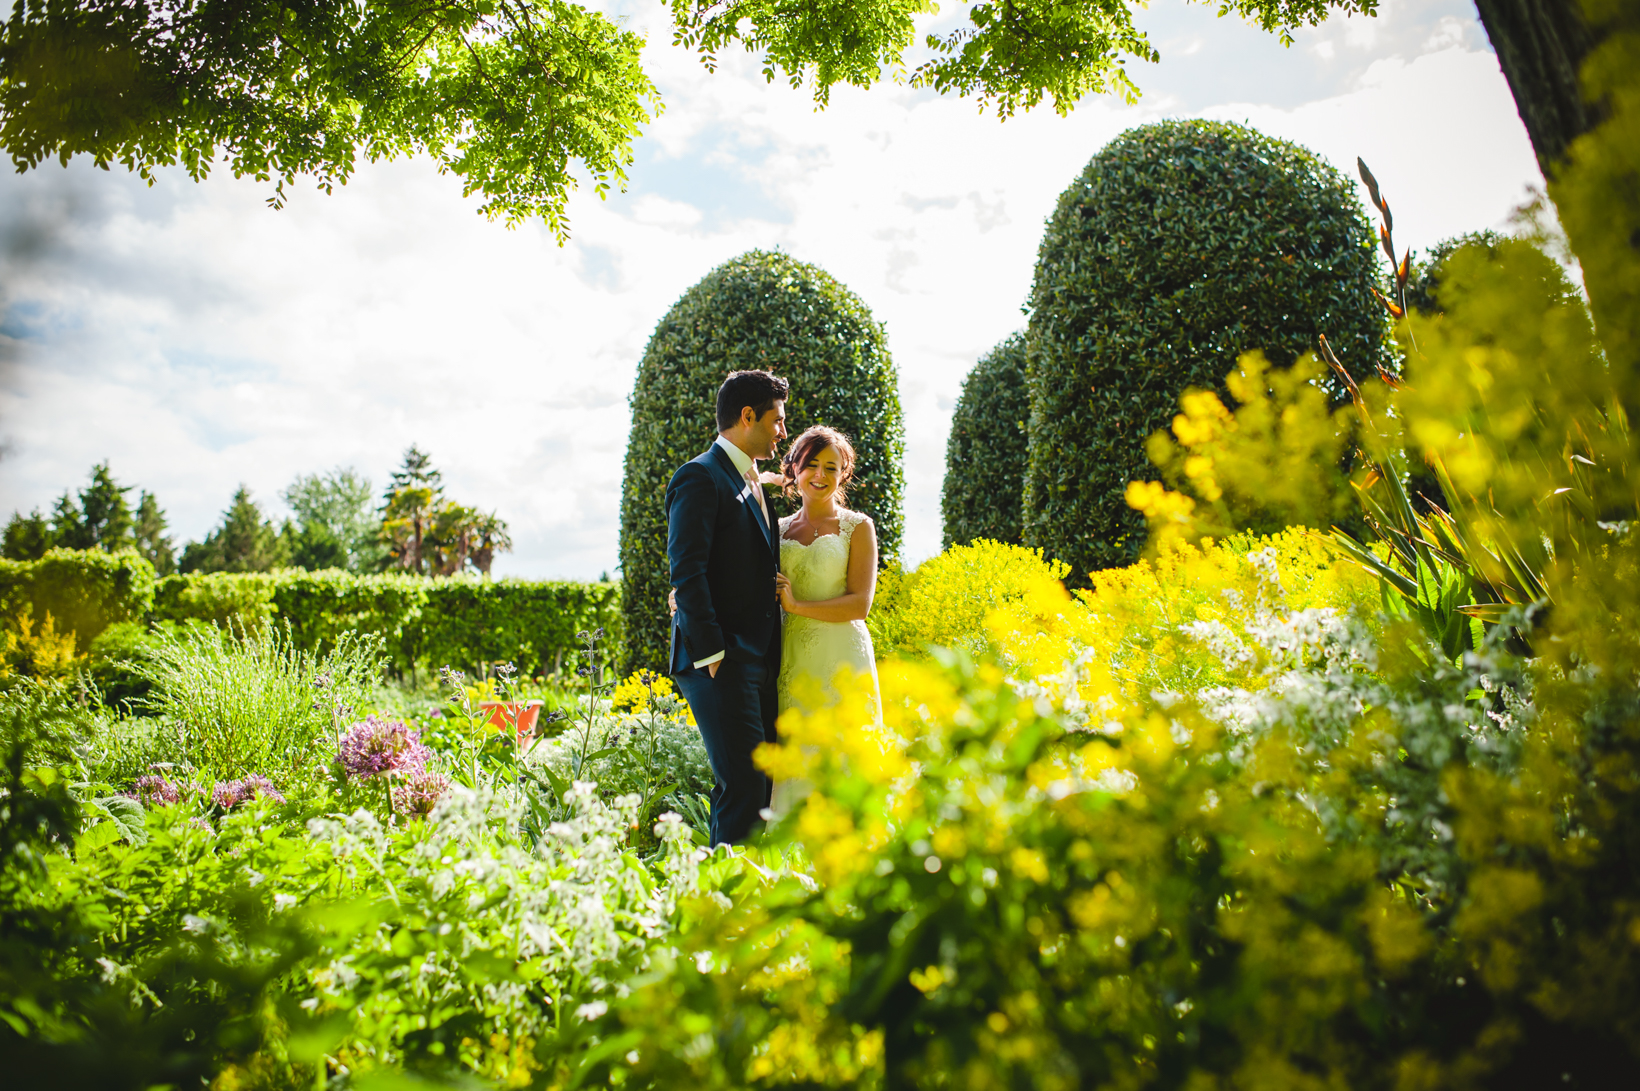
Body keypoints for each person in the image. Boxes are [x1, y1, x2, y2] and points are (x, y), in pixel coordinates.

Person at [666, 369, 789, 846]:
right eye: (777, 420)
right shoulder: (699, 476)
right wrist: (712, 654)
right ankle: (724, 908)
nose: (783, 430)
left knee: (760, 789)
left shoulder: (753, 481)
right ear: (746, 416)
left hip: (759, 659)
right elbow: (687, 571)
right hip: (720, 661)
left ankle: (746, 897)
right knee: (741, 787)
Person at [769, 425, 882, 815]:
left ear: (843, 474)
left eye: (831, 468)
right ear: (793, 470)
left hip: (842, 657)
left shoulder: (858, 527)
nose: (820, 475)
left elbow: (859, 604)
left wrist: (797, 606)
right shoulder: (776, 529)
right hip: (792, 656)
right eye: (810, 465)